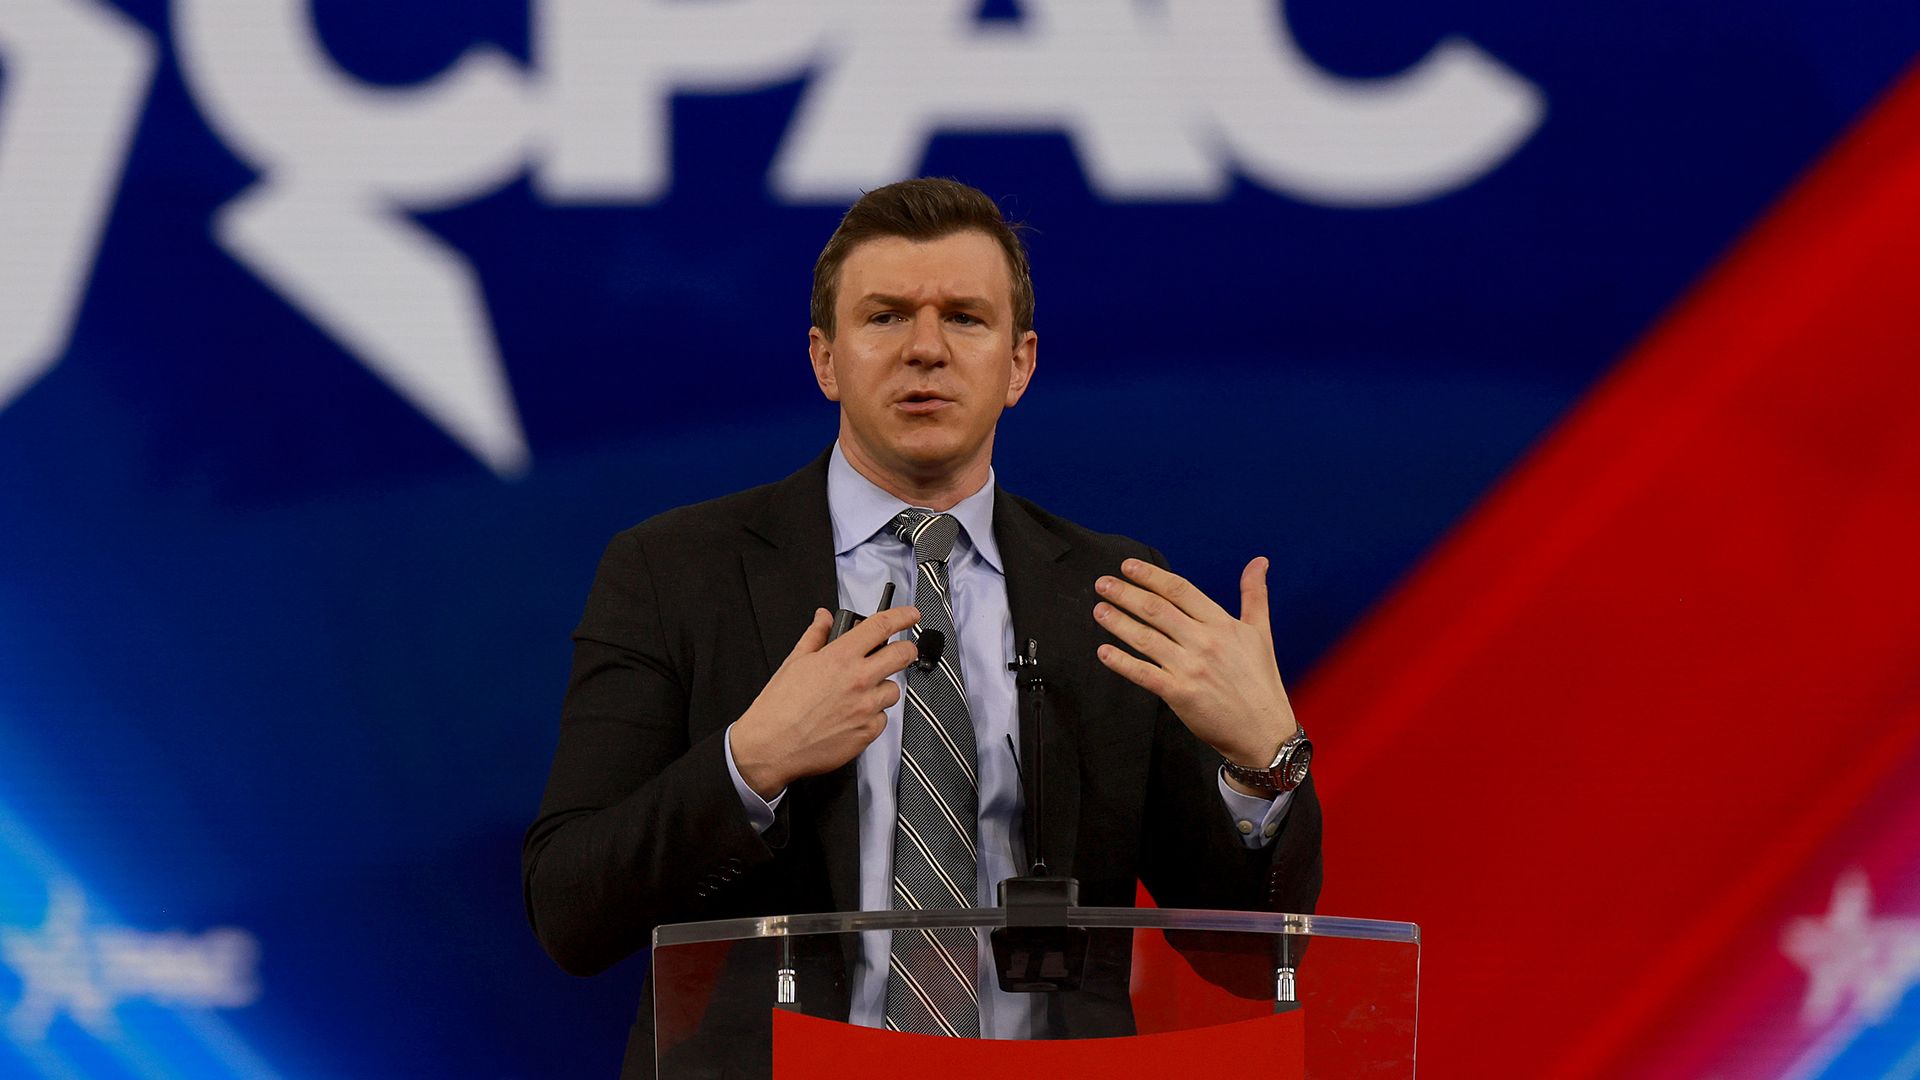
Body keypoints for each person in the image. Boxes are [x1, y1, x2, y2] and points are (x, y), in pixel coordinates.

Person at [523, 177, 1321, 1077]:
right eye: (887, 316)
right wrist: (749, 764)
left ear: (1019, 364)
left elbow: (1253, 963)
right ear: (825, 358)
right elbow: (570, 911)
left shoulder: (1113, 595)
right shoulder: (674, 574)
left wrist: (1266, 767)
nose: (927, 350)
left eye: (966, 319)